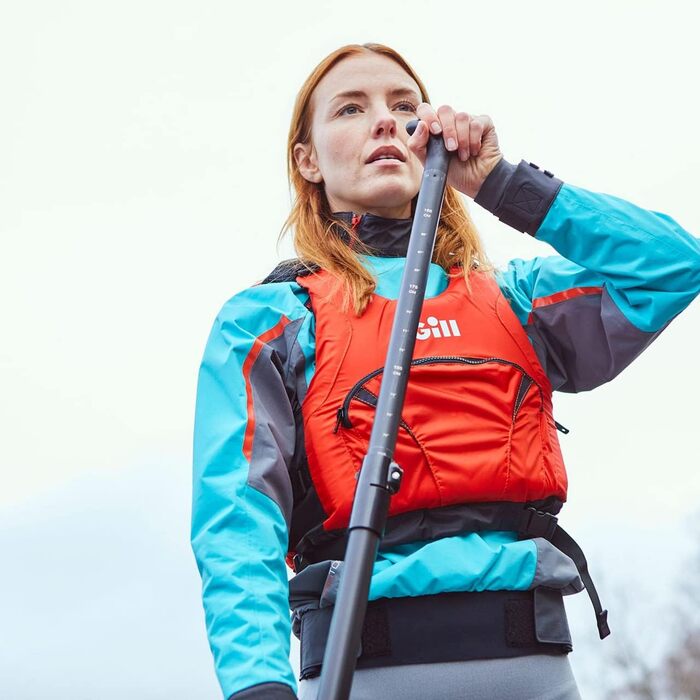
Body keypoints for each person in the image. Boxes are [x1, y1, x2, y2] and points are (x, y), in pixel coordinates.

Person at [191, 43, 700, 700]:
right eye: (352, 107)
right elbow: (237, 518)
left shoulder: (515, 300)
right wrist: (258, 685)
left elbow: (671, 266)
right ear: (307, 159)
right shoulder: (268, 320)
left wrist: (502, 182)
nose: (385, 121)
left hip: (534, 669)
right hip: (362, 670)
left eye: (405, 107)